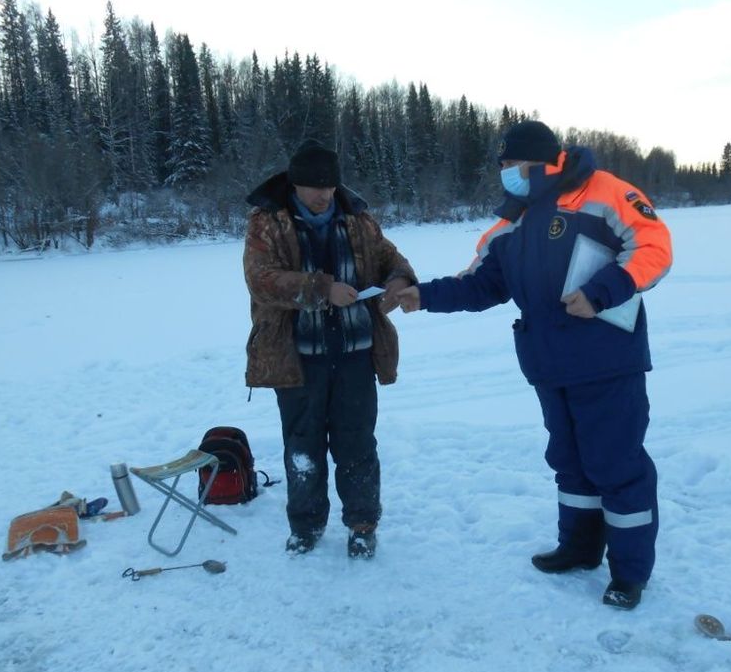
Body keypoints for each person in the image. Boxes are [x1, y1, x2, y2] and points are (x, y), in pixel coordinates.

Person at [397, 121, 672, 609]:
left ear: (542, 161)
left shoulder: (605, 192)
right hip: (550, 365)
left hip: (607, 360)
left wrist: (601, 292)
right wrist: (424, 295)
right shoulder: (512, 224)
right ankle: (579, 549)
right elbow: (480, 284)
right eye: (501, 166)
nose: (505, 174)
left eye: (510, 165)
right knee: (569, 463)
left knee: (616, 464)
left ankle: (629, 574)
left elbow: (654, 248)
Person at [243, 139, 417, 559]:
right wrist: (320, 289)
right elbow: (261, 280)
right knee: (302, 447)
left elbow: (390, 257)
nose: (324, 195)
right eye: (314, 187)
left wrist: (398, 279)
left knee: (357, 444)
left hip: (356, 352)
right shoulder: (268, 223)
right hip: (297, 358)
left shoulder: (357, 218)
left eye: (330, 187)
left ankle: (362, 523)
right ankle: (305, 525)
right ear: (295, 185)